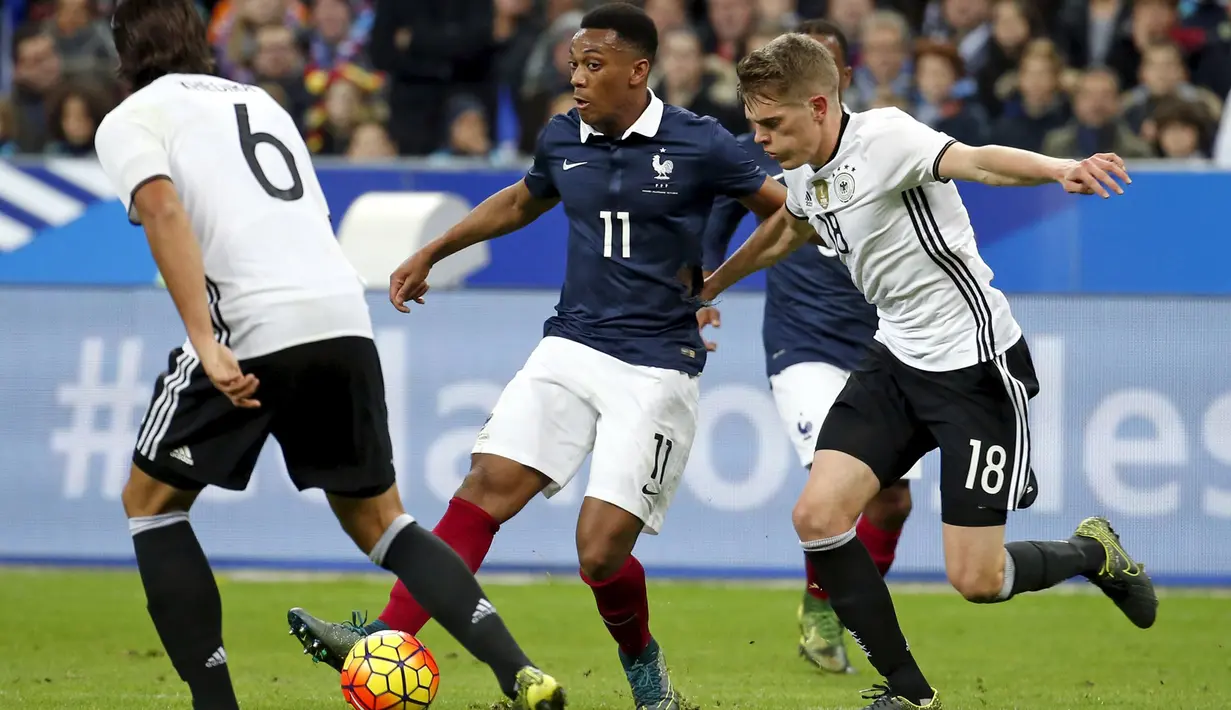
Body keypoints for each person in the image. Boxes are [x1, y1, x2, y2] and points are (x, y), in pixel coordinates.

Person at [285, 4, 784, 709]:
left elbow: (784, 213)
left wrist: (715, 280)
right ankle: (385, 641)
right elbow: (524, 199)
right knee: (483, 486)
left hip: (656, 363)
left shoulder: (698, 142)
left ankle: (645, 670)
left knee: (599, 553)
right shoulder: (561, 136)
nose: (577, 78)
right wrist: (433, 249)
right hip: (571, 343)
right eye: (573, 64)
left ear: (638, 71)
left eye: (593, 65)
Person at [95, 2, 565, 709]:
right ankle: (519, 671)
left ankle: (214, 705)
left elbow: (162, 210)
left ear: (123, 50)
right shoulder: (261, 103)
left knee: (151, 503)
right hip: (342, 315)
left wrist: (204, 341)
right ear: (200, 42)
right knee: (383, 522)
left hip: (253, 323)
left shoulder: (133, 116)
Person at [702, 33, 1158, 710]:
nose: (761, 139)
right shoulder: (801, 168)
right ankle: (910, 693)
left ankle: (1094, 554)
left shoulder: (885, 138)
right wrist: (709, 286)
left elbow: (978, 163)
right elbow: (787, 229)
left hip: (973, 367)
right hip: (894, 359)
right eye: (754, 123)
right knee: (817, 514)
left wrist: (1057, 166)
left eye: (773, 123)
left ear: (821, 105)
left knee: (976, 579)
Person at [700, 18, 918, 676]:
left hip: (882, 341)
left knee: (892, 499)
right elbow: (716, 221)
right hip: (803, 341)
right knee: (836, 483)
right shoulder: (761, 145)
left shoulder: (883, 143)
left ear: (840, 81)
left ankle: (821, 601)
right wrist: (703, 289)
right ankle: (829, 613)